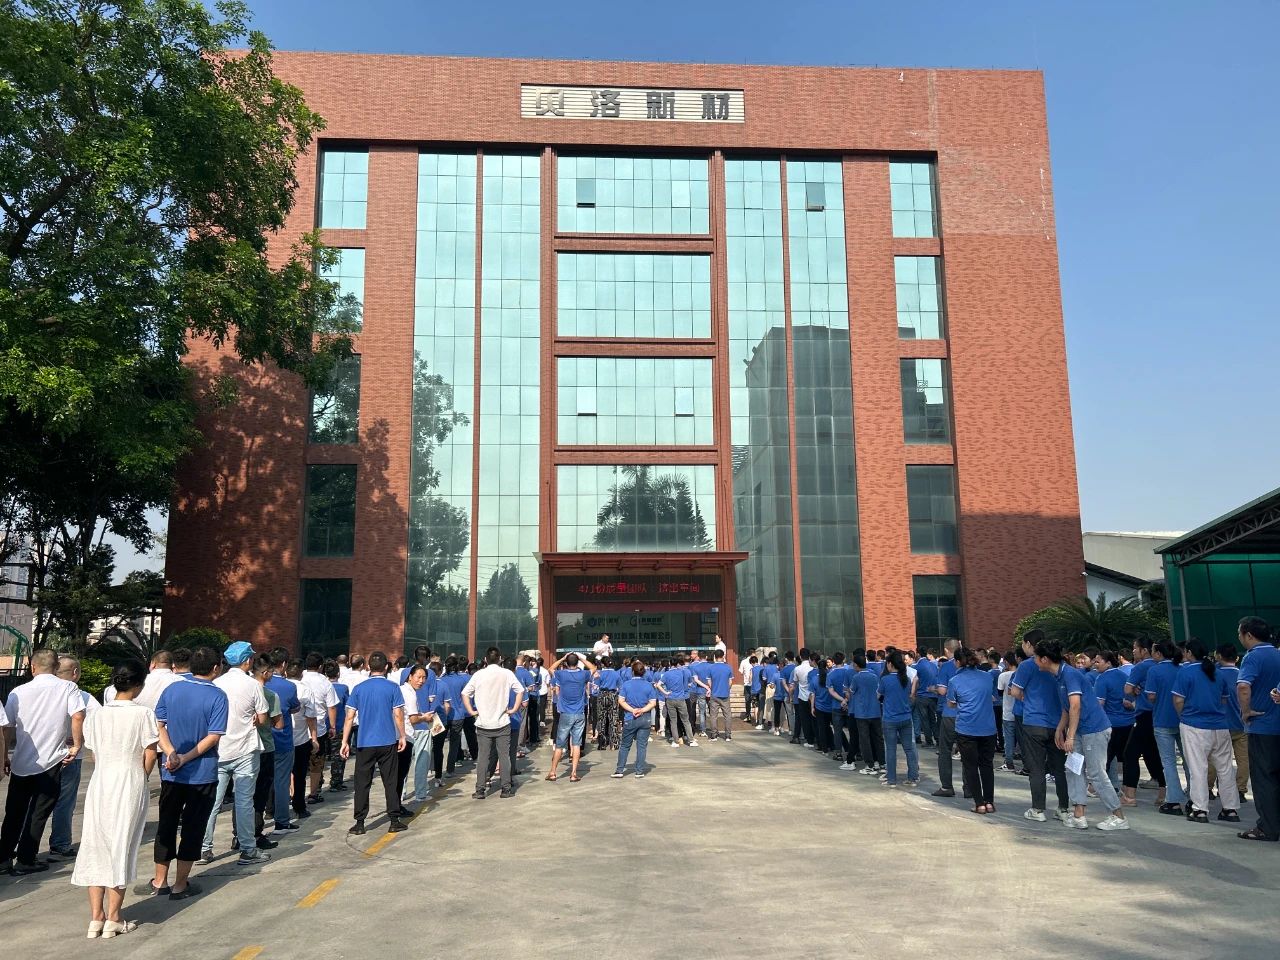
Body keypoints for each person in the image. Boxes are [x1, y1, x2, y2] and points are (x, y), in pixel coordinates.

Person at [70, 661, 159, 939]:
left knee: (95, 844)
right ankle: (114, 918)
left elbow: (94, 752)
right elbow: (150, 752)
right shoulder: (144, 713)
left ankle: (96, 918)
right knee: (122, 845)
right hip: (129, 780)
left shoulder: (96, 715)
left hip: (101, 781)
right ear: (139, 684)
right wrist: (142, 777)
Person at [152, 646, 228, 900]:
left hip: (171, 771)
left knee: (166, 824)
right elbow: (213, 736)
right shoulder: (218, 696)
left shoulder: (172, 689)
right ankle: (180, 884)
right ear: (216, 668)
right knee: (193, 827)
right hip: (201, 773)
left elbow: (159, 725)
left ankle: (159, 881)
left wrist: (171, 753)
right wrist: (185, 757)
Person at [0, 649, 86, 875]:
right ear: (56, 667)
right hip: (51, 761)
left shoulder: (18, 692)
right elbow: (78, 715)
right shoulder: (68, 688)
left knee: (14, 812)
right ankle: (26, 859)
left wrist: (4, 756)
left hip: (21, 761)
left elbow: (6, 727)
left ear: (32, 667)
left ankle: (3, 857)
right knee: (38, 812)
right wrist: (76, 744)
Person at [1037, 640, 1128, 831]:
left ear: (1044, 659)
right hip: (1080, 730)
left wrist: (1069, 736)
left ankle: (1118, 816)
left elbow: (1075, 706)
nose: (1035, 661)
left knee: (1096, 773)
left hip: (1094, 729)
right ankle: (1079, 815)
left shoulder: (1070, 675)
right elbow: (1067, 707)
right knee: (1073, 769)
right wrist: (1060, 729)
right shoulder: (1059, 676)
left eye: (1037, 658)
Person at [201, 641, 270, 866]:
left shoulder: (216, 683)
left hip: (218, 750)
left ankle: (204, 848)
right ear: (247, 661)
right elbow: (262, 718)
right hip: (245, 749)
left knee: (213, 802)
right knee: (244, 801)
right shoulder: (253, 685)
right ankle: (248, 849)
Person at [1173, 638, 1240, 824]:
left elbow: (1178, 700)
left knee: (1198, 769)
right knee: (1225, 769)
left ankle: (1200, 810)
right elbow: (1224, 700)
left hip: (1194, 726)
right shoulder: (1218, 673)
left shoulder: (1186, 672)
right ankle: (1230, 809)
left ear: (1189, 653)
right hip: (1220, 726)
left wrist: (1183, 716)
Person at [340, 651, 408, 835]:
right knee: (390, 781)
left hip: (365, 742)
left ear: (369, 667)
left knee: (362, 783)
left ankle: (360, 823)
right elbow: (398, 714)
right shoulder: (393, 687)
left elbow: (349, 717)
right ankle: (394, 820)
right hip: (387, 741)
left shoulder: (359, 688)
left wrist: (345, 741)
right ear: (386, 667)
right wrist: (402, 736)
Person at [1011, 629, 1070, 823]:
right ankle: (1063, 808)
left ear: (1029, 644)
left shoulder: (1027, 665)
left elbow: (1015, 691)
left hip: (1033, 722)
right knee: (1059, 768)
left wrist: (1026, 698)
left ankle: (1038, 809)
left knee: (1036, 768)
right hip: (1058, 723)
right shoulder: (1060, 664)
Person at [49, 655, 100, 859]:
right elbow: (97, 722)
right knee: (64, 801)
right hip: (71, 755)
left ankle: (25, 848)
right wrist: (81, 742)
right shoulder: (83, 697)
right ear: (76, 673)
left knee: (34, 802)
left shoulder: (40, 693)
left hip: (39, 756)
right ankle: (60, 844)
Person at [1235, 616, 1280, 842]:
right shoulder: (1277, 654)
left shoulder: (1253, 657)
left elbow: (1243, 686)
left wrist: (1246, 711)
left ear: (1249, 635)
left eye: (1240, 633)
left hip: (1262, 726)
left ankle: (1267, 827)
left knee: (1264, 778)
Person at [462, 650, 523, 799]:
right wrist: (514, 709)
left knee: (483, 757)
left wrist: (471, 711)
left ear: (485, 659)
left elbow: (465, 693)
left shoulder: (478, 674)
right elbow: (520, 690)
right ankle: (506, 789)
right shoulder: (506, 674)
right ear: (500, 659)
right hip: (502, 722)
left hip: (483, 723)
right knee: (504, 756)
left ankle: (480, 790)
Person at [947, 647, 997, 814]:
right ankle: (989, 802)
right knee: (987, 765)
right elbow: (990, 696)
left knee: (970, 766)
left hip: (967, 728)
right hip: (988, 727)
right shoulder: (987, 676)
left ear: (958, 662)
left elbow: (951, 703)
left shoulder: (954, 680)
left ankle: (979, 803)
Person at [1146, 640, 1189, 815]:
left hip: (1162, 719)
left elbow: (1151, 696)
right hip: (1183, 719)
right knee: (1189, 760)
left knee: (1168, 762)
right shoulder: (1182, 669)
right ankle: (1194, 797)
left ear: (1158, 653)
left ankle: (1174, 800)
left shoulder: (1154, 670)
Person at [1121, 639, 1165, 806]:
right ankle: (1163, 792)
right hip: (1159, 714)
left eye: (1135, 648)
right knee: (1154, 754)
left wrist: (1134, 690)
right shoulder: (1164, 666)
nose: (1133, 651)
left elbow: (1127, 689)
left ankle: (1130, 795)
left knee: (1130, 753)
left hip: (1144, 714)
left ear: (1145, 650)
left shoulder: (1142, 667)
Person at [545, 652, 597, 782]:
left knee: (560, 744)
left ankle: (553, 772)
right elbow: (593, 668)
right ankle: (573, 774)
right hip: (579, 713)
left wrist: (562, 658)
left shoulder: (561, 674)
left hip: (565, 713)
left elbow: (550, 669)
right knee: (576, 744)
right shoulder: (583, 674)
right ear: (577, 662)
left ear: (566, 663)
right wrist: (582, 659)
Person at [264, 654, 301, 833]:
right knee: (281, 781)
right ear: (284, 664)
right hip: (282, 739)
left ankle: (260, 819)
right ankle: (282, 821)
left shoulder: (258, 684)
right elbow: (295, 707)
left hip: (260, 740)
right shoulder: (289, 686)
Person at [249, 655, 283, 851]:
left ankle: (239, 834)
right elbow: (279, 724)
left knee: (243, 794)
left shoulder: (240, 690)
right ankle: (256, 833)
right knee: (260, 794)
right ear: (265, 673)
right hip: (265, 747)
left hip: (242, 748)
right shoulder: (270, 695)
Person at [1210, 644, 1249, 803]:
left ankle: (1208, 787)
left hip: (1219, 724)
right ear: (1237, 658)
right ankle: (1240, 790)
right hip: (1241, 724)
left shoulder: (1215, 675)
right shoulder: (1242, 675)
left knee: (1214, 758)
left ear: (1218, 656)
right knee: (1243, 759)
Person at [1093, 651, 1135, 795]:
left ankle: (1100, 787)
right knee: (1126, 757)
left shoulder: (1102, 679)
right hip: (1128, 722)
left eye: (1098, 661)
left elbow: (1099, 704)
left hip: (1110, 723)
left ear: (1108, 663)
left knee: (1105, 758)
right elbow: (1130, 699)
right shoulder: (1125, 676)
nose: (1095, 664)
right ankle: (1123, 787)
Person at [284, 659, 320, 822]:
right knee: (299, 775)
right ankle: (299, 807)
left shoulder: (279, 687)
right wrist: (314, 738)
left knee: (278, 775)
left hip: (280, 738)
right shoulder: (305, 690)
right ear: (301, 674)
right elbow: (310, 717)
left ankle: (272, 808)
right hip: (300, 738)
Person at [300, 653, 340, 802]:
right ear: (320, 666)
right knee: (316, 763)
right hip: (319, 728)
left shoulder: (300, 678)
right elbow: (332, 706)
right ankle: (313, 793)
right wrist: (333, 726)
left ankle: (293, 793)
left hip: (298, 728)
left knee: (297, 764)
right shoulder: (325, 682)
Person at [878, 650, 918, 788]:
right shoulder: (906, 679)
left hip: (890, 719)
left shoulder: (885, 680)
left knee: (891, 750)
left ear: (890, 664)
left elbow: (878, 695)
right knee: (909, 749)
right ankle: (913, 777)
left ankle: (891, 780)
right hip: (906, 717)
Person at [928, 638, 962, 798]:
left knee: (945, 750)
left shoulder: (947, 666)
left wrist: (934, 689)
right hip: (969, 714)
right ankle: (969, 787)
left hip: (950, 713)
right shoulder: (971, 666)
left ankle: (947, 786)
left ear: (947, 650)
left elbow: (942, 691)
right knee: (967, 752)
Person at [614, 661, 657, 778]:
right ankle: (639, 771)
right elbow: (653, 702)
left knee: (625, 745)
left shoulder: (626, 685)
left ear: (632, 672)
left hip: (630, 717)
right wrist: (642, 710)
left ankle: (619, 770)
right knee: (641, 746)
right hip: (645, 718)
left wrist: (632, 710)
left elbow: (621, 700)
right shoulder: (648, 685)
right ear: (644, 672)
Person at [847, 655, 884, 774]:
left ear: (856, 665)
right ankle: (882, 763)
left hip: (862, 713)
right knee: (878, 738)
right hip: (875, 711)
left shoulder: (856, 677)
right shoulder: (874, 676)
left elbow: (851, 691)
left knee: (865, 740)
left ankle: (870, 765)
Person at [324, 660, 351, 791]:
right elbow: (348, 706)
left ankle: (317, 784)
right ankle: (336, 782)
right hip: (339, 725)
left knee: (320, 756)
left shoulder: (322, 686)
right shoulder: (343, 688)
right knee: (338, 755)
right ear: (338, 673)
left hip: (322, 725)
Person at [657, 658, 695, 748]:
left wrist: (665, 693)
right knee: (686, 720)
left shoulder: (666, 674)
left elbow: (658, 685)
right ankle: (691, 740)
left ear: (670, 664)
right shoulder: (682, 672)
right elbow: (688, 684)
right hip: (681, 698)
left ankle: (676, 741)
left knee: (673, 721)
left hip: (670, 698)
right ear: (677, 664)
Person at [996, 653, 1018, 771]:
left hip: (1008, 710)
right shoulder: (1021, 673)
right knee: (1022, 739)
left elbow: (999, 692)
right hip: (1021, 711)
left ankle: (1009, 762)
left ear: (1006, 662)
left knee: (1008, 738)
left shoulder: (1003, 676)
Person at [706, 650, 734, 741]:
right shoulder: (728, 667)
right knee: (727, 715)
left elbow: (709, 681)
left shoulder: (710, 667)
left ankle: (714, 735)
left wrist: (713, 688)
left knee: (713, 716)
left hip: (714, 694)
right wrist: (727, 689)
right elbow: (730, 682)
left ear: (715, 656)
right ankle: (728, 735)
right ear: (723, 656)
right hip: (725, 694)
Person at [793, 649, 814, 746]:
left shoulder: (797, 669)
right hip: (813, 696)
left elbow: (795, 681)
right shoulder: (812, 668)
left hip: (802, 696)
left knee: (805, 719)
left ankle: (809, 740)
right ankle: (815, 738)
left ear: (800, 657)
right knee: (813, 718)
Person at [740, 655, 756, 723]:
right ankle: (757, 718)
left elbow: (741, 672)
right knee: (755, 702)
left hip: (747, 684)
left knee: (748, 701)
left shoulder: (743, 661)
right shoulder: (757, 662)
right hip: (755, 685)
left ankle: (748, 716)